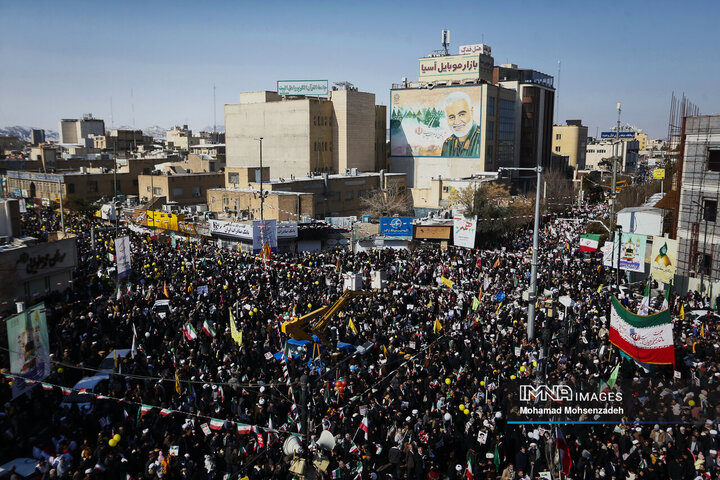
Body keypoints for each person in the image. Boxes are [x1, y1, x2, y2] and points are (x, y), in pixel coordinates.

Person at [440, 91, 480, 157]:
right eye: (451, 117)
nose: (457, 122)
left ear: (471, 112)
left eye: (462, 114)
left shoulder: (481, 139)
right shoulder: (448, 144)